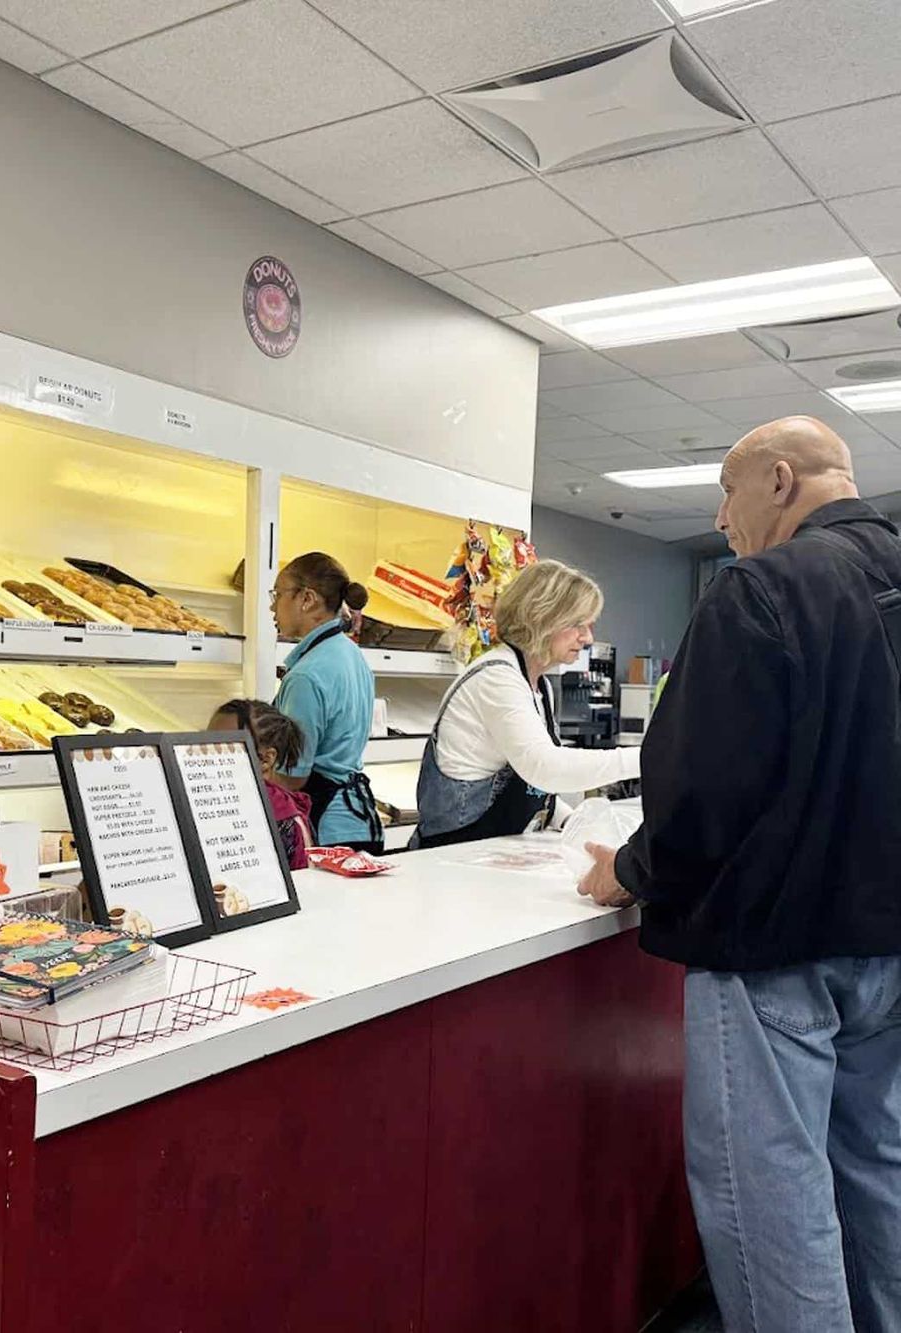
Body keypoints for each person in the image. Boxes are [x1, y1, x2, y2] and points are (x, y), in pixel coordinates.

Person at [579, 416, 901, 1332]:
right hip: (892, 947)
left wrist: (629, 873)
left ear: (780, 480)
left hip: (776, 947)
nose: (721, 518)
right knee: (880, 1166)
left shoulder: (761, 590)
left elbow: (700, 789)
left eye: (726, 491)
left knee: (772, 1195)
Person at [411, 559, 642, 848]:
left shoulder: (538, 684)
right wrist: (648, 758)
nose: (587, 638)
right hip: (452, 852)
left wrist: (572, 823)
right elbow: (544, 767)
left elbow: (530, 786)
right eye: (577, 625)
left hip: (488, 851)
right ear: (542, 619)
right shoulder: (497, 678)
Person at [272, 551, 383, 853]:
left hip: (326, 830)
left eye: (278, 594)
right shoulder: (353, 656)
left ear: (307, 599)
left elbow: (294, 778)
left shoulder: (306, 676)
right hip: (359, 820)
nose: (272, 605)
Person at [209, 699, 313, 871]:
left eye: (223, 746)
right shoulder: (212, 801)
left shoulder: (283, 820)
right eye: (204, 743)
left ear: (266, 759)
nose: (206, 753)